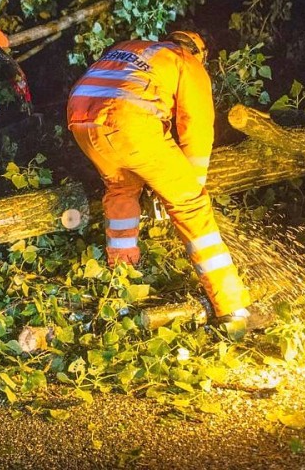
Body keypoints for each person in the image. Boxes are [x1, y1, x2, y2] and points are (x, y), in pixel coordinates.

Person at [67, 30, 253, 335]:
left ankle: (122, 280)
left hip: (82, 121)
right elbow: (196, 126)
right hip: (127, 121)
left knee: (121, 189)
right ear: (199, 52)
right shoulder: (186, 61)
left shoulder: (130, 48)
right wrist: (188, 184)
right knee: (191, 205)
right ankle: (230, 305)